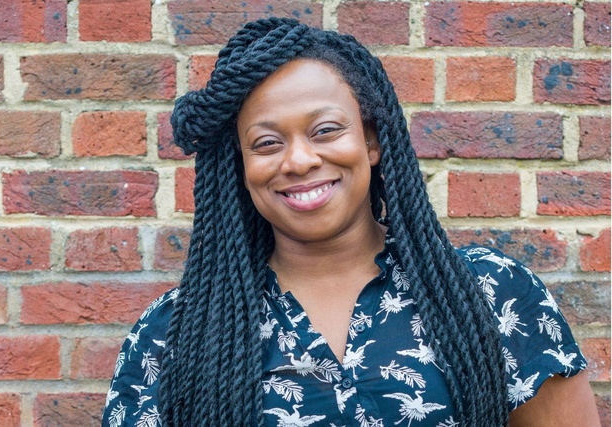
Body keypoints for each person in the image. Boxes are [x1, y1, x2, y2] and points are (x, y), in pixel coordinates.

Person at [101, 17, 600, 427]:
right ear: (241, 166)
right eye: (267, 143)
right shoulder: (174, 333)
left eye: (325, 130)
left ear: (372, 142)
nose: (297, 160)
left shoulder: (492, 293)